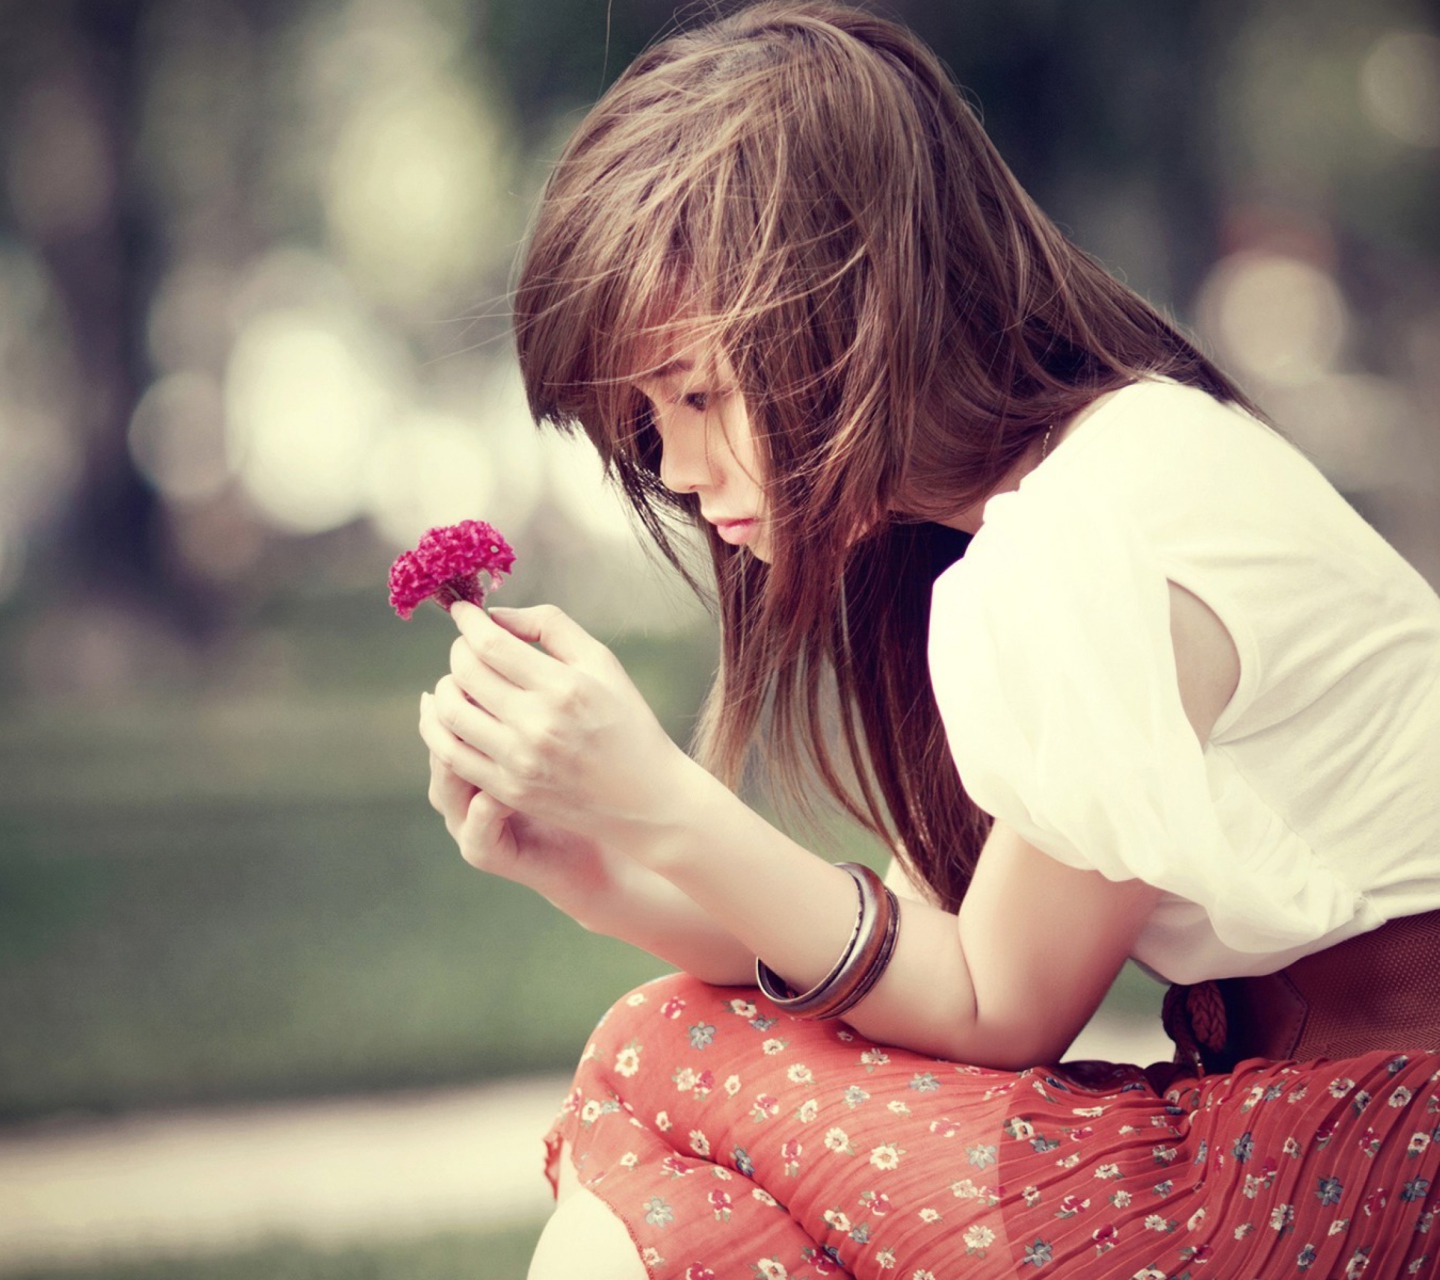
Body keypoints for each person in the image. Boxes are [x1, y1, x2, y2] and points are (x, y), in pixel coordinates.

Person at [416, 4, 1440, 1276]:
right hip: (1322, 1142)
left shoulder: (1094, 529)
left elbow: (986, 1004)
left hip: (1377, 1159)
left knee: (661, 1053)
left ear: (852, 306)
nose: (676, 468)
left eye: (695, 393)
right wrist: (599, 870)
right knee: (682, 1103)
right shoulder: (1063, 501)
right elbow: (912, 944)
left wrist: (668, 802)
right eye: (647, 420)